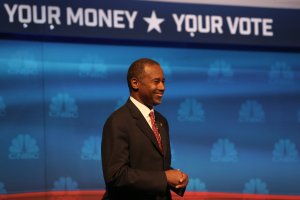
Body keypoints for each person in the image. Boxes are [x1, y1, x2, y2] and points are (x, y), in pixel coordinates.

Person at [101, 58, 188, 200]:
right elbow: (116, 176)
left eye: (163, 81)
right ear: (135, 83)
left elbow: (152, 167)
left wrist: (177, 178)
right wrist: (164, 177)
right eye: (156, 81)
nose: (162, 87)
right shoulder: (118, 122)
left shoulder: (161, 121)